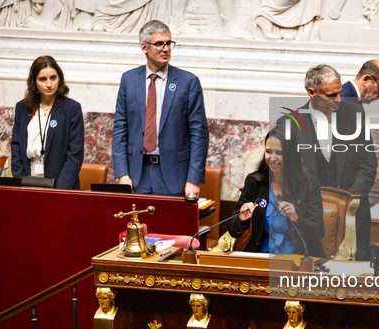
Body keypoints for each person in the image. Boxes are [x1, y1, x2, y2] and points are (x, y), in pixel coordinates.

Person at [278, 64, 378, 261]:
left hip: (353, 218)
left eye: (339, 92)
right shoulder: (288, 124)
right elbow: (283, 175)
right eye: (332, 95)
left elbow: (368, 165)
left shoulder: (354, 113)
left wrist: (350, 202)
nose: (339, 99)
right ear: (312, 93)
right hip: (308, 221)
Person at [112, 20, 209, 196]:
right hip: (136, 174)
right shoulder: (129, 80)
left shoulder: (188, 82)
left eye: (168, 43)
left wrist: (193, 179)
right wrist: (122, 174)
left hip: (175, 176)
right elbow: (120, 129)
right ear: (144, 47)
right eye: (159, 44)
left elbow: (199, 134)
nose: (166, 49)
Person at [228, 125, 325, 257]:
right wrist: (242, 218)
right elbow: (233, 229)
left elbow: (318, 231)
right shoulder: (254, 182)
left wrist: (297, 219)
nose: (272, 158)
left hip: (299, 259)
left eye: (279, 153)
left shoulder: (309, 183)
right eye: (269, 152)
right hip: (263, 259)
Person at [10, 55, 84, 190]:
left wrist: (59, 190)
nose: (49, 84)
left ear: (59, 78)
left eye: (53, 78)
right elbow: (16, 148)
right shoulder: (22, 108)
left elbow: (75, 155)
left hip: (61, 185)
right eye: (42, 79)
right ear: (34, 82)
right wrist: (22, 184)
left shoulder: (71, 109)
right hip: (28, 181)